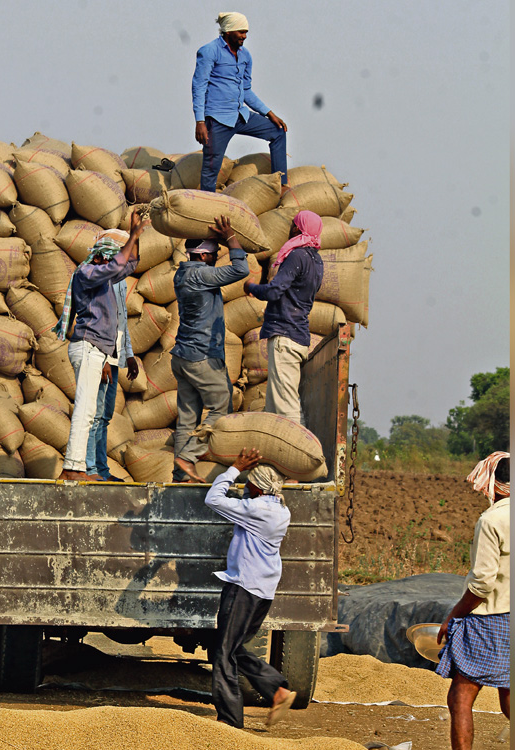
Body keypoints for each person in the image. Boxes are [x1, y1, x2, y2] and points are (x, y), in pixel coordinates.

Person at [204, 447, 297, 728]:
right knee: (229, 648)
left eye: (249, 484)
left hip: (244, 588)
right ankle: (276, 689)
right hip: (262, 591)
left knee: (223, 654)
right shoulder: (280, 510)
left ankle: (230, 721)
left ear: (256, 488)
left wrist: (234, 468)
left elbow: (213, 499)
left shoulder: (256, 510)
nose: (245, 488)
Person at [54, 214, 147, 481]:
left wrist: (135, 236)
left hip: (97, 350)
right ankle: (72, 469)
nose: (110, 265)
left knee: (90, 412)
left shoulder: (105, 278)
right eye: (108, 260)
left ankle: (79, 468)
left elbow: (130, 263)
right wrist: (132, 235)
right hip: (87, 347)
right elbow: (117, 264)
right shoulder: (86, 273)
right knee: (85, 411)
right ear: (98, 258)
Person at [436, 451, 511, 750]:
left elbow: (482, 585)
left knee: (460, 696)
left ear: (494, 484)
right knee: (510, 696)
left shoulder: (492, 520)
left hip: (492, 619)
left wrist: (454, 615)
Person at [171, 215, 248, 483]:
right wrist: (231, 237)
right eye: (214, 254)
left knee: (187, 419)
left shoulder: (182, 273)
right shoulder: (202, 274)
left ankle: (181, 477)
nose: (216, 258)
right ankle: (189, 456)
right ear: (203, 256)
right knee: (222, 406)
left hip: (182, 356)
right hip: (202, 357)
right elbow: (241, 269)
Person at [192, 12, 288, 193]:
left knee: (278, 131)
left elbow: (246, 91)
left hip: (240, 115)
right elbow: (198, 87)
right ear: (228, 32)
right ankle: (207, 201)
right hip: (218, 118)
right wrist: (200, 121)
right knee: (211, 167)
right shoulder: (210, 51)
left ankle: (281, 185)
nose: (244, 36)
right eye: (241, 32)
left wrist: (270, 114)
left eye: (246, 32)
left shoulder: (245, 56)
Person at [244, 210, 325, 425]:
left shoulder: (296, 256)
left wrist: (252, 287)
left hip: (285, 337)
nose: (290, 228)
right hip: (298, 336)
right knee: (274, 410)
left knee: (287, 411)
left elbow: (274, 291)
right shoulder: (317, 261)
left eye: (293, 224)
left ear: (298, 228)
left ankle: (301, 444)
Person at [85, 256, 140, 482]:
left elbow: (121, 321)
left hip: (115, 357)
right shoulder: (95, 280)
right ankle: (90, 470)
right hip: (101, 356)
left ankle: (102, 470)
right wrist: (103, 359)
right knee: (95, 415)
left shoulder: (120, 281)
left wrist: (129, 354)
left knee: (105, 416)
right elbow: (93, 322)